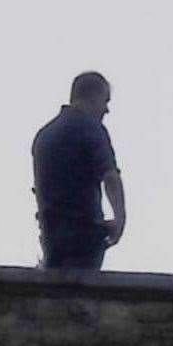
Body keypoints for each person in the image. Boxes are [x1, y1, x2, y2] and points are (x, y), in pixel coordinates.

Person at [32, 72, 126, 269]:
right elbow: (110, 176)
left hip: (52, 243)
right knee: (83, 296)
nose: (107, 110)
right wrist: (119, 219)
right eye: (105, 100)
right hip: (84, 242)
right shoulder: (91, 128)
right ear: (93, 96)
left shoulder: (44, 136)